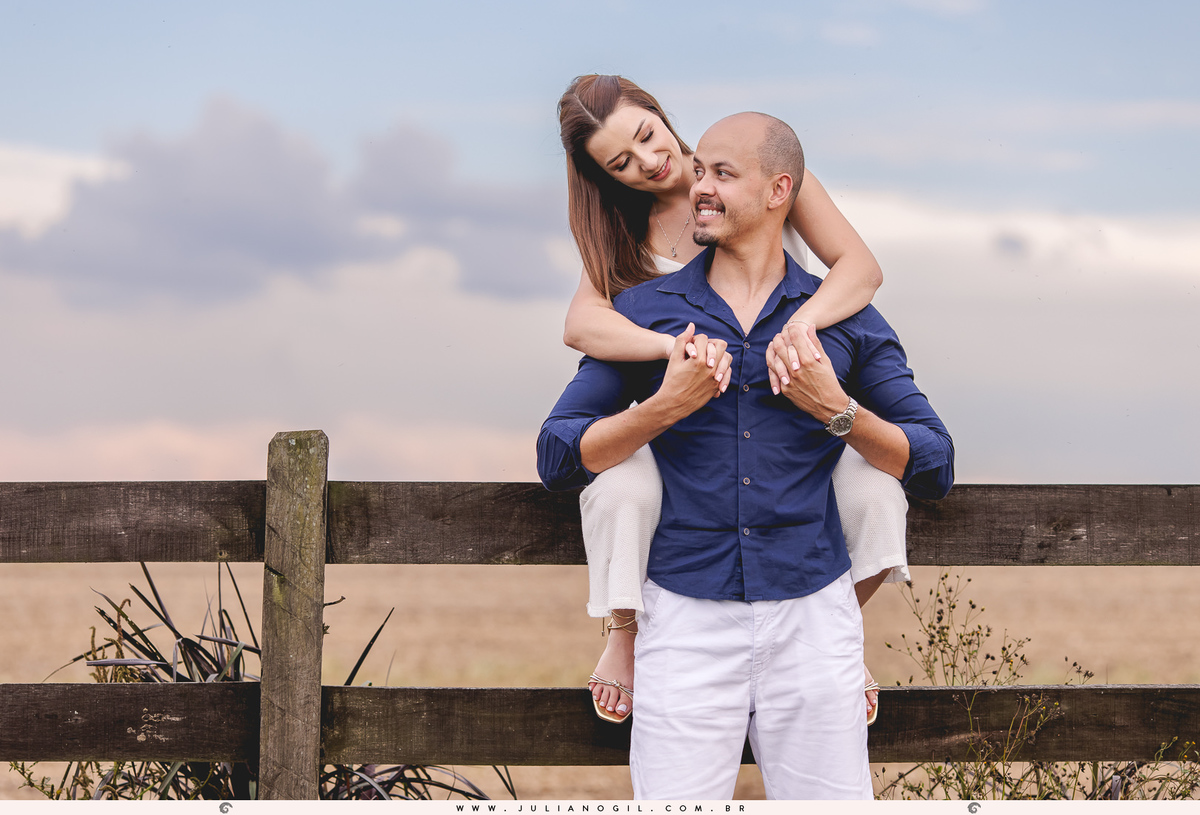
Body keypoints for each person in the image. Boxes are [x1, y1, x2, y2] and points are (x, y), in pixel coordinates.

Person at [538, 112, 954, 799]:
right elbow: (557, 453)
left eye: (722, 174)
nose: (698, 186)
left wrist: (836, 410)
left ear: (778, 191)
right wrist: (664, 404)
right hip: (681, 619)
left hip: (818, 617)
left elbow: (934, 462)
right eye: (699, 171)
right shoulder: (645, 312)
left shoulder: (842, 318)